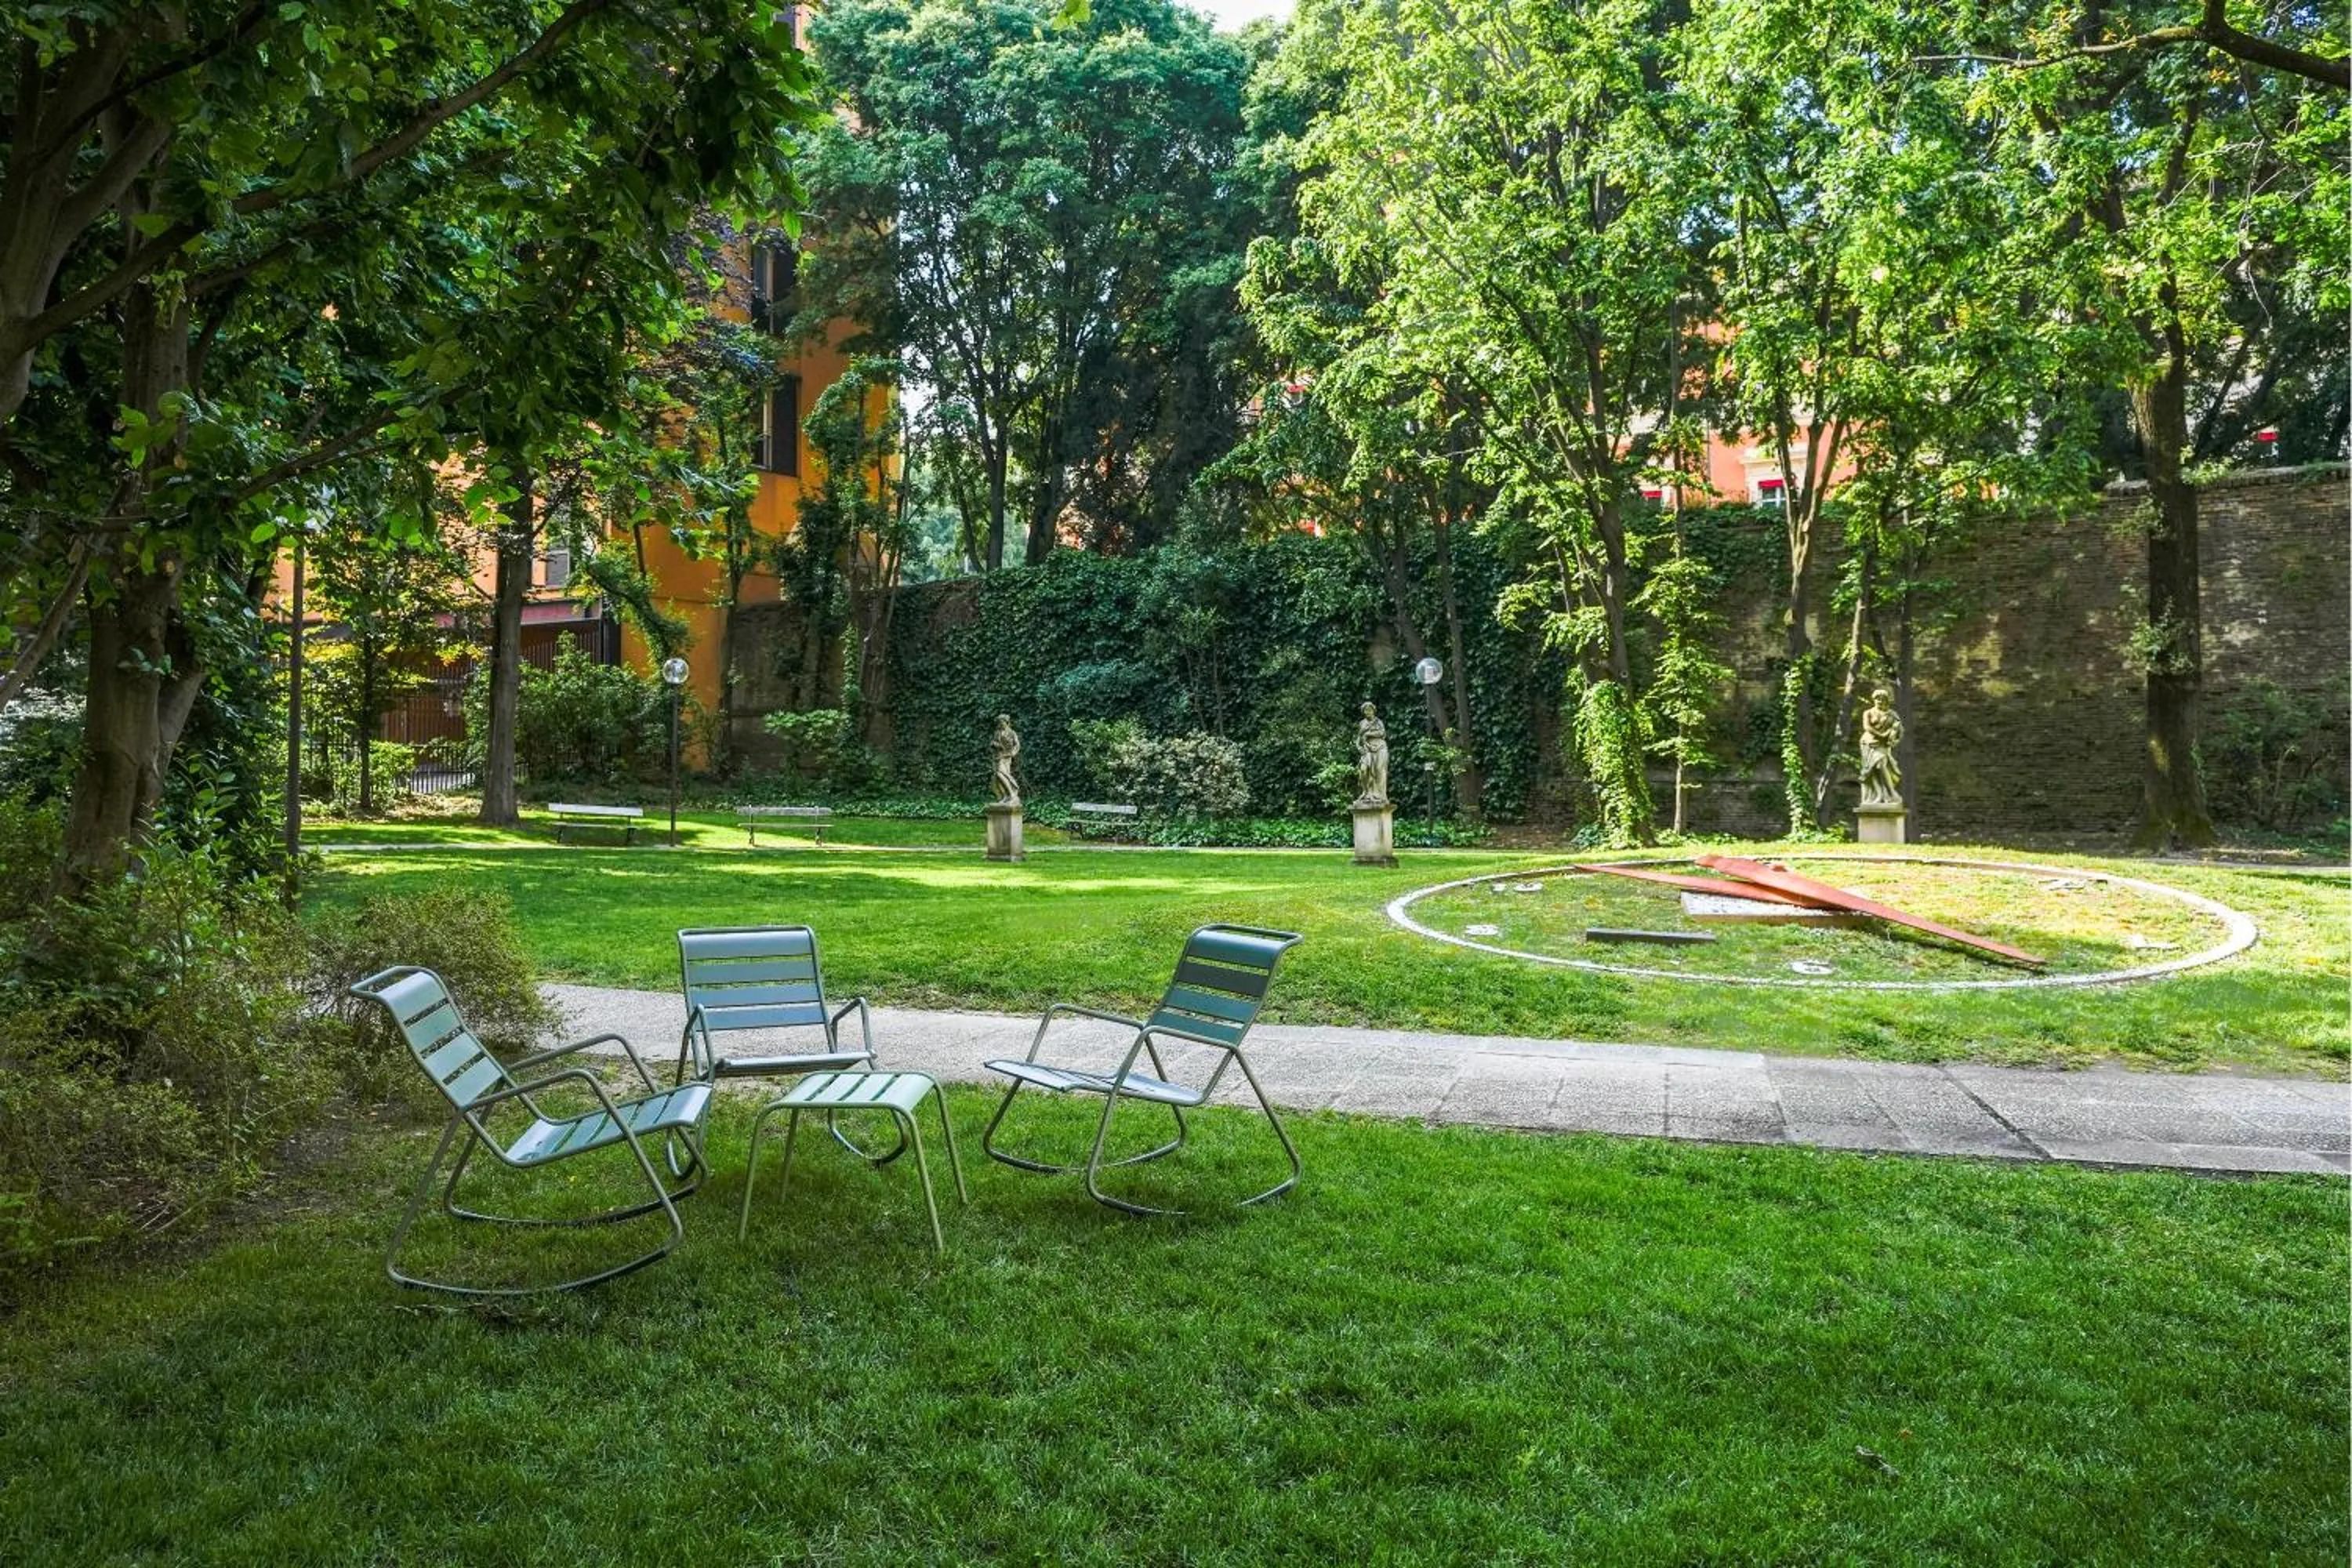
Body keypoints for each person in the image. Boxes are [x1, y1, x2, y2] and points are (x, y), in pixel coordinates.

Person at [1858, 688, 1904, 807]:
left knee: (1881, 765)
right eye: (1877, 698)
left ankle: (1890, 793)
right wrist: (1882, 735)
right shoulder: (1868, 713)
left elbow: (1900, 731)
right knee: (1872, 770)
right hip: (1869, 743)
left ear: (1886, 700)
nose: (1879, 701)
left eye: (1882, 699)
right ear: (1874, 700)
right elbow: (1867, 727)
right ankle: (1878, 795)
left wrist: (1894, 741)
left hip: (1883, 746)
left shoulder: (1892, 715)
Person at [1354, 702, 1389, 806]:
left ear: (1374, 710)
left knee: (1379, 770)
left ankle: (1380, 795)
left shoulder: (1378, 722)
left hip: (1380, 748)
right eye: (1366, 710)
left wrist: (1369, 733)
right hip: (1367, 750)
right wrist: (1359, 748)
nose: (1368, 712)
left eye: (1370, 710)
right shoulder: (1362, 723)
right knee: (1364, 771)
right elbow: (1358, 739)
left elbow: (1382, 733)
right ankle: (1366, 793)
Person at [989, 713, 1022, 808]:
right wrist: (994, 744)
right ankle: (1006, 796)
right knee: (1000, 775)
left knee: (1001, 773)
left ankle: (1012, 794)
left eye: (1002, 722)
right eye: (999, 722)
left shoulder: (1012, 733)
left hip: (1007, 756)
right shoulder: (998, 733)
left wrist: (1013, 753)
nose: (1001, 724)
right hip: (998, 756)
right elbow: (994, 743)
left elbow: (1017, 745)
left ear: (1007, 722)